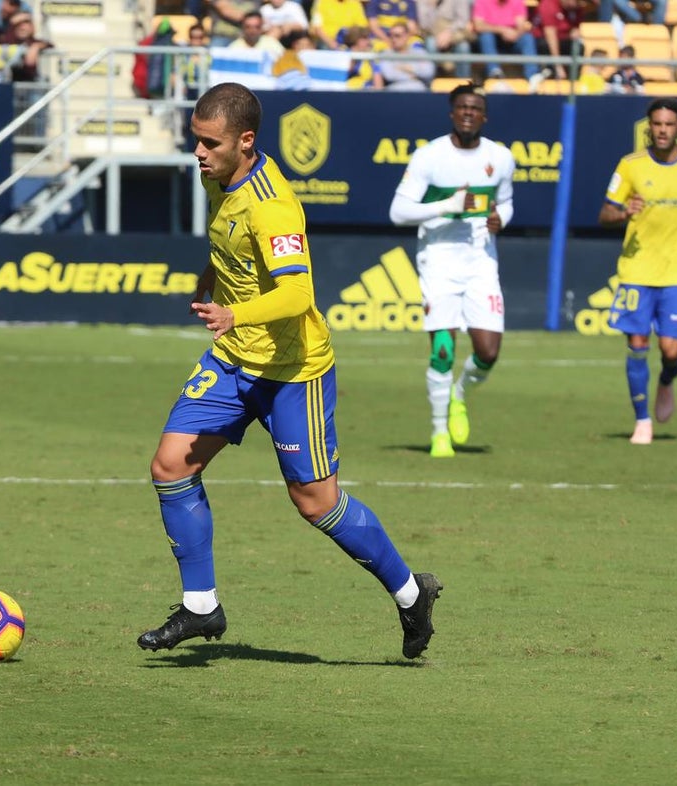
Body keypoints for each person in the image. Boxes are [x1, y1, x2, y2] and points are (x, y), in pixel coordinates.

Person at [136, 82, 442, 660]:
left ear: (245, 141)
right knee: (170, 466)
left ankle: (410, 592)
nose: (198, 152)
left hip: (293, 370)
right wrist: (212, 278)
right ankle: (201, 606)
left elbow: (298, 294)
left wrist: (234, 313)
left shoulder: (273, 205)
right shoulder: (216, 177)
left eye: (210, 143)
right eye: (196, 140)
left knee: (316, 502)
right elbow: (230, 246)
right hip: (233, 360)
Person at [388, 83, 515, 458]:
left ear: (484, 116)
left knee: (488, 352)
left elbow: (506, 202)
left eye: (475, 108)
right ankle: (439, 432)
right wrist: (447, 205)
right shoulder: (429, 156)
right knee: (443, 349)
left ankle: (460, 395)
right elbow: (398, 212)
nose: (468, 113)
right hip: (439, 260)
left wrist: (501, 219)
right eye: (462, 107)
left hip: (481, 261)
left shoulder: (500, 157)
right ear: (452, 113)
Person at [597, 98, 677, 446]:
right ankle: (642, 420)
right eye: (657, 124)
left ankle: (665, 382)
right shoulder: (630, 165)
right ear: (650, 127)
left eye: (669, 124)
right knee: (637, 344)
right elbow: (605, 214)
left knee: (671, 351)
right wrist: (623, 212)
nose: (663, 130)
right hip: (637, 269)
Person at [471, 0, 538, 81]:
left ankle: (532, 74)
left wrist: (515, 34)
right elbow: (478, 26)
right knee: (486, 36)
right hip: (491, 40)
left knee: (527, 38)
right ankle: (494, 71)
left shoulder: (517, 1)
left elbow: (521, 25)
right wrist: (502, 30)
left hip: (512, 39)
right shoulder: (482, 1)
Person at [416, 0, 473, 78]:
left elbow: (463, 21)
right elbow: (424, 25)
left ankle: (464, 81)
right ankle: (430, 80)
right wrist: (431, 7)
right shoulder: (422, 2)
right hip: (432, 34)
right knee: (431, 43)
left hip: (454, 34)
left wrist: (449, 32)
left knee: (463, 47)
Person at [377, 20, 434, 91]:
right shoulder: (385, 54)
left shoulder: (420, 53)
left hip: (419, 92)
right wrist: (414, 76)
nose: (393, 39)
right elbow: (390, 75)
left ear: (407, 36)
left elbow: (428, 72)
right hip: (395, 92)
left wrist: (409, 68)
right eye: (390, 36)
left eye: (397, 36)